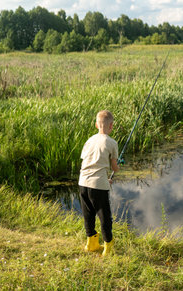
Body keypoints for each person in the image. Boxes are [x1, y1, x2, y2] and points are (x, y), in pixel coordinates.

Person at [78, 110, 119, 256]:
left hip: (83, 183)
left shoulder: (89, 140)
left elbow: (89, 162)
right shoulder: (112, 143)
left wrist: (104, 180)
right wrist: (118, 165)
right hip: (98, 186)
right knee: (104, 216)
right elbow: (114, 167)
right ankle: (108, 247)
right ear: (111, 126)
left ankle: (91, 244)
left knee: (88, 214)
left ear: (96, 125)